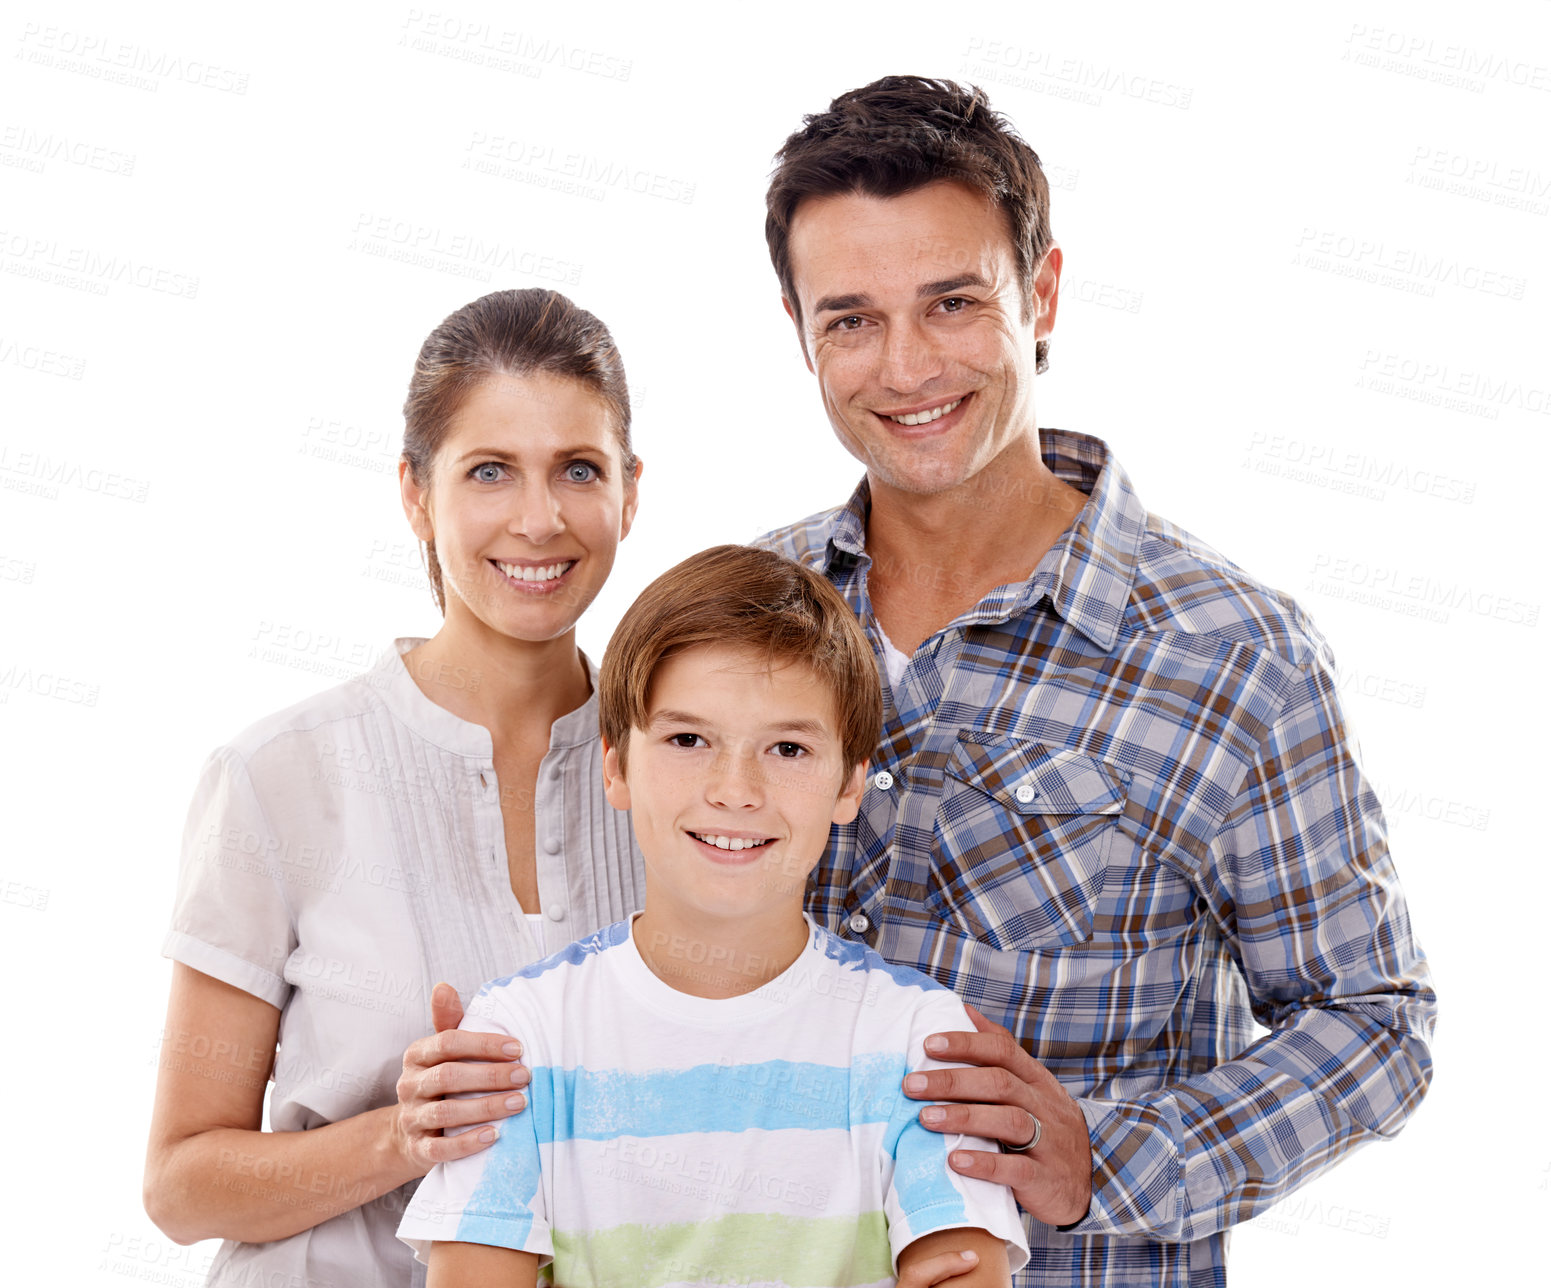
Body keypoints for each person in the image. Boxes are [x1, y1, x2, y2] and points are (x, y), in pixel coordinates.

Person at [754, 76, 1437, 1286]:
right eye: (851, 319)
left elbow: (1376, 1022)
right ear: (802, 335)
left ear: (1044, 293)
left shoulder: (1232, 655)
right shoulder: (750, 608)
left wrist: (1113, 1159)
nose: (906, 366)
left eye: (953, 302)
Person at [143, 288, 646, 1285]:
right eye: (490, 471)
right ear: (416, 493)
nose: (539, 519)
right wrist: (403, 1137)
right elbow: (179, 1185)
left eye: (578, 470)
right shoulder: (279, 775)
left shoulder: (687, 779)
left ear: (631, 490)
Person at [396, 545, 1031, 1287]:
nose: (736, 790)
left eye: (788, 748)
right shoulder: (519, 1036)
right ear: (615, 766)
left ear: (849, 785)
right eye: (688, 740)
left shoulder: (919, 1039)